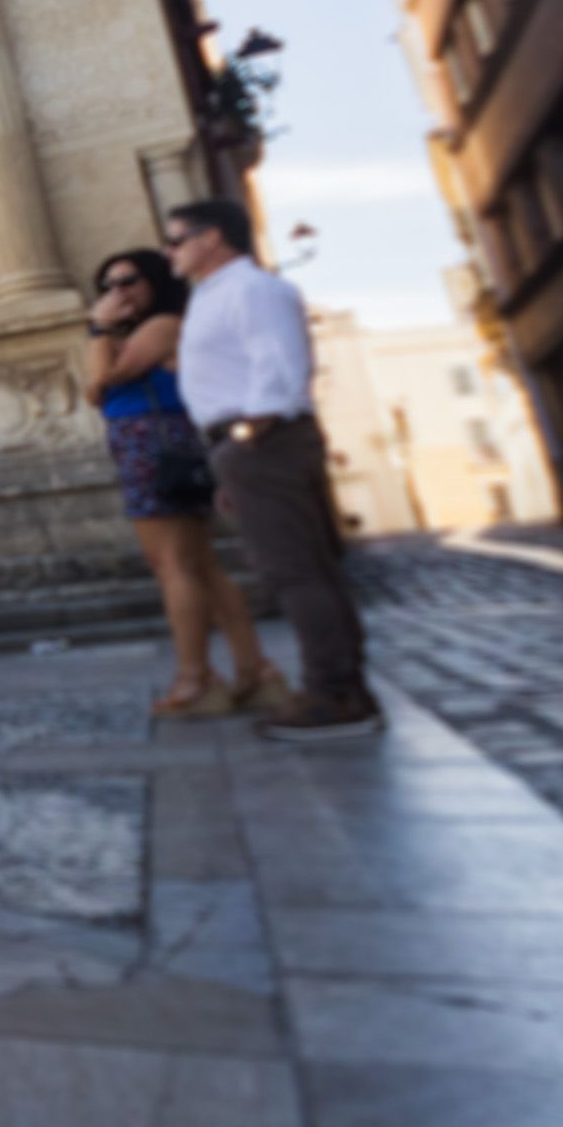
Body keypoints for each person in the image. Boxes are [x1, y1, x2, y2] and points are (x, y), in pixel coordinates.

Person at [166, 199, 379, 740]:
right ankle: (344, 690)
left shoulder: (252, 289)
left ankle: (334, 696)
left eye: (177, 239)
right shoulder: (217, 295)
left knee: (295, 571)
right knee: (301, 567)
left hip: (264, 440)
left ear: (211, 238)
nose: (170, 251)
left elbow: (278, 368)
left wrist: (243, 442)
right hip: (250, 447)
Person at [81, 249, 275, 718]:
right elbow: (98, 387)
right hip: (154, 440)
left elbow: (101, 381)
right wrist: (106, 334)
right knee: (197, 565)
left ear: (155, 282)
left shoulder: (164, 324)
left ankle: (197, 679)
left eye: (128, 281)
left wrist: (98, 327)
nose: (117, 294)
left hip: (152, 441)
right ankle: (254, 672)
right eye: (107, 286)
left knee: (172, 565)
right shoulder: (145, 330)